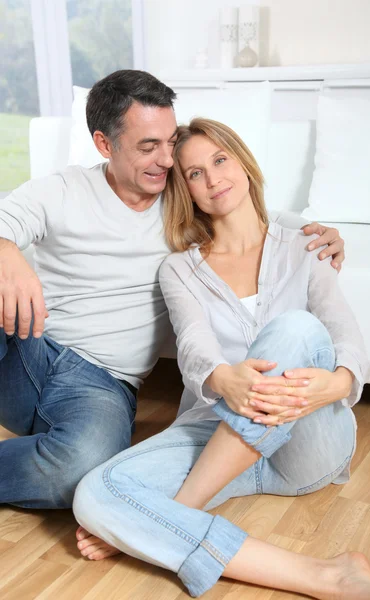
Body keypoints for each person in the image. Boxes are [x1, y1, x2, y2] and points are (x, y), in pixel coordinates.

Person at [72, 119, 370, 600]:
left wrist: (339, 384)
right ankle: (325, 575)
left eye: (220, 161)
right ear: (186, 191)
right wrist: (225, 380)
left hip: (306, 442)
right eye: (194, 174)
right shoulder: (179, 268)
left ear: (243, 163)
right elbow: (194, 347)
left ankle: (177, 513)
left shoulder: (307, 246)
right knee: (93, 493)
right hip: (214, 436)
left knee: (294, 328)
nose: (212, 179)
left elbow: (343, 330)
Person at [0, 70, 345, 510]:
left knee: (77, 470)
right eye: (149, 146)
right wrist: (6, 252)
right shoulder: (63, 189)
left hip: (102, 384)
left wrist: (320, 232)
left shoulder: (182, 202)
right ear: (105, 144)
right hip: (28, 349)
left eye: (169, 142)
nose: (167, 159)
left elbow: (251, 212)